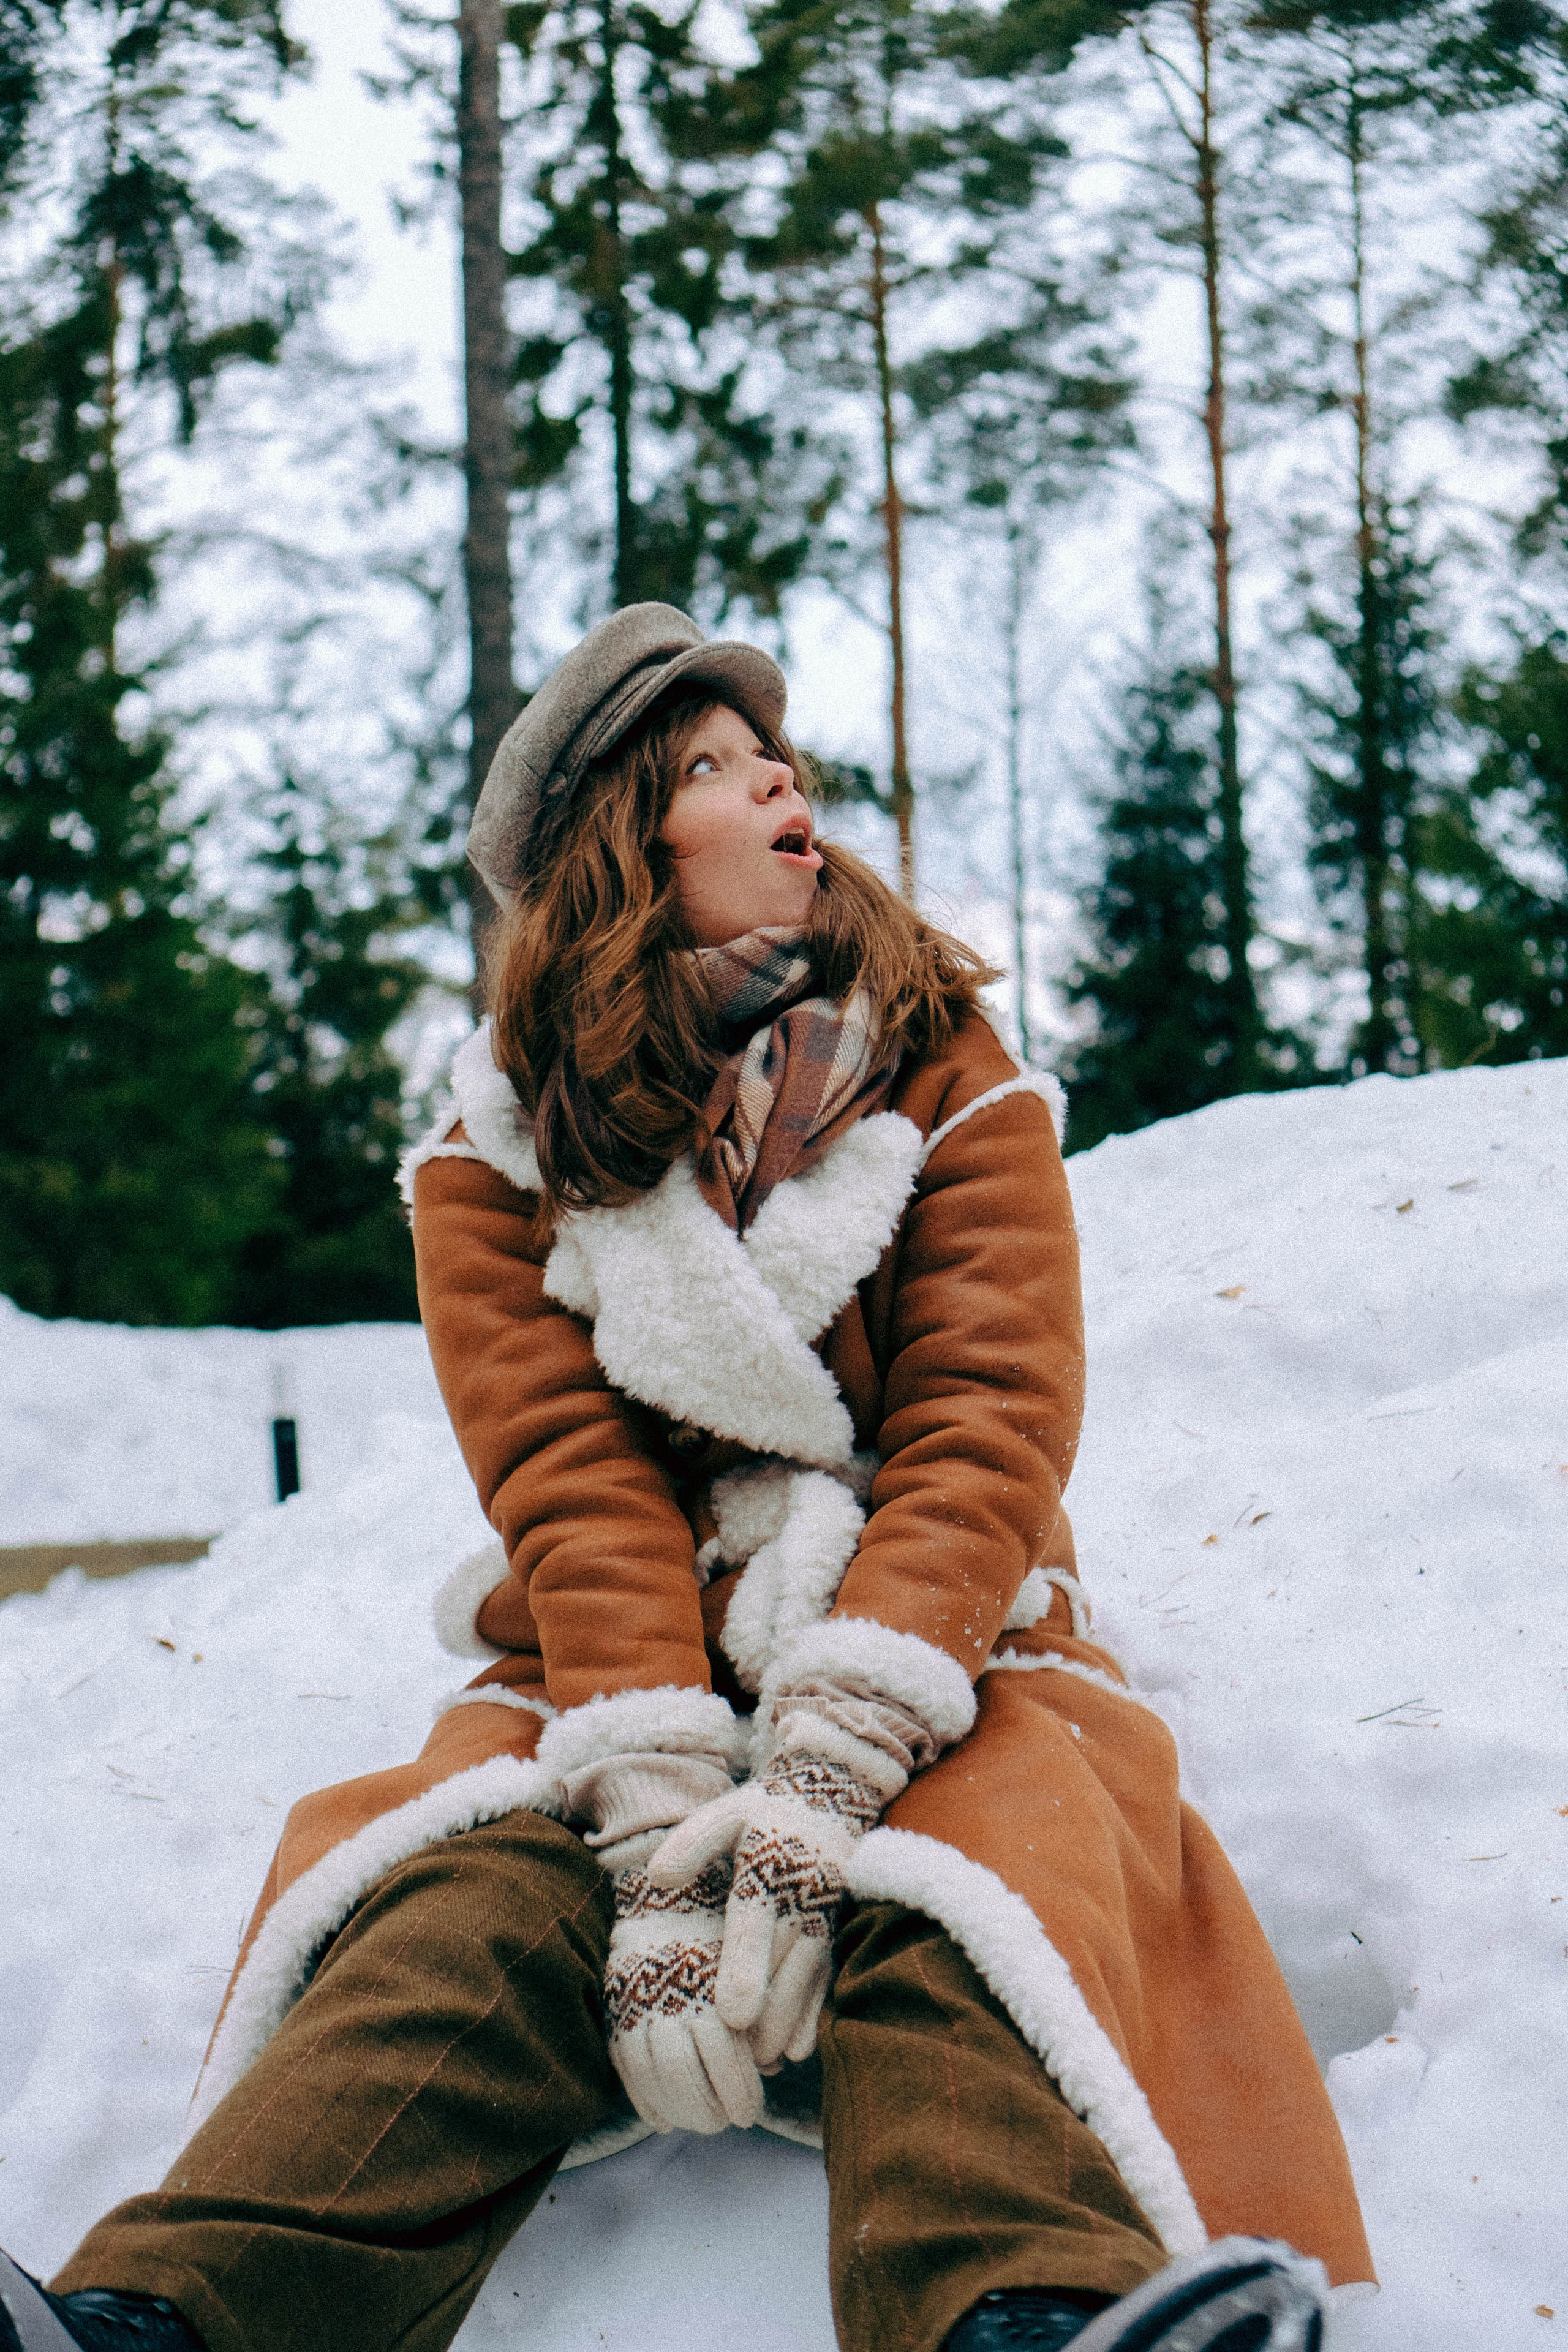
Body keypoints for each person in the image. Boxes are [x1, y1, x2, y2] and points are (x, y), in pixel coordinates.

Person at [1, 606, 1373, 2352]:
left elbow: (987, 1419)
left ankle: (1036, 2320)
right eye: (714, 767)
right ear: (622, 847)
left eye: (774, 752)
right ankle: (152, 2325)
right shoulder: (496, 1155)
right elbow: (572, 1487)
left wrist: (832, 1761)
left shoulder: (948, 1070)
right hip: (626, 1656)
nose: (780, 773)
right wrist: (655, 1833)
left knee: (970, 1894)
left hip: (926, 1625)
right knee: (465, 1914)